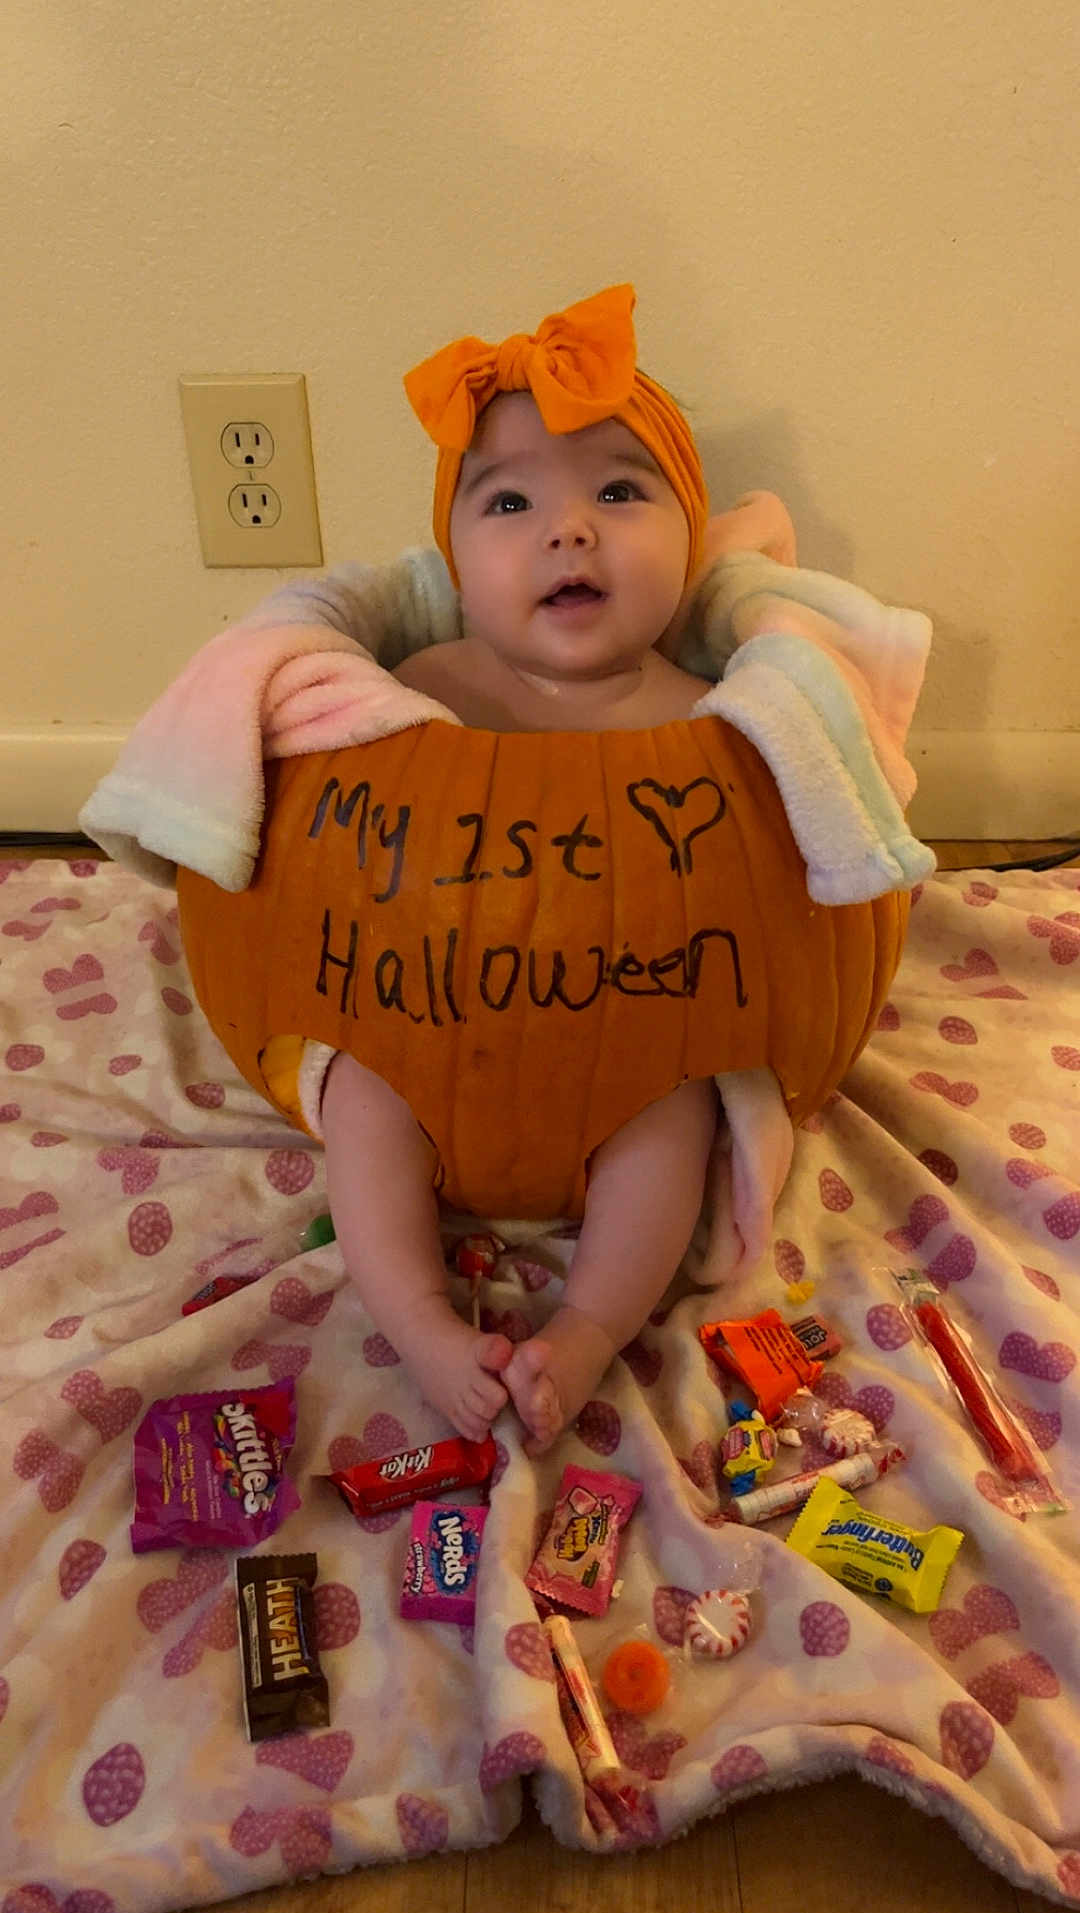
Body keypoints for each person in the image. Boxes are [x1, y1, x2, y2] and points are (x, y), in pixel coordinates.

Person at [318, 284, 785, 1455]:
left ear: (688, 535)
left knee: (673, 1116)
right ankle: (424, 1321)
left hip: (625, 1036)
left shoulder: (708, 720)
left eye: (620, 493)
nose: (568, 531)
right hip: (430, 1026)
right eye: (511, 501)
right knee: (360, 1101)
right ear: (458, 561)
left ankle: (585, 1329)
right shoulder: (423, 692)